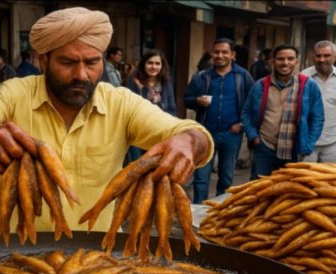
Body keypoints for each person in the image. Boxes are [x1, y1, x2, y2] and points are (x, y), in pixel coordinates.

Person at [0, 7, 213, 234]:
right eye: (67, 62)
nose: (81, 75)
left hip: (92, 255)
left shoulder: (121, 103)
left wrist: (187, 141)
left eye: (91, 63)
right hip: (10, 251)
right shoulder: (13, 94)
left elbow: (190, 132)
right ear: (44, 60)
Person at [184, 38, 254, 202]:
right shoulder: (201, 77)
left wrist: (242, 124)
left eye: (224, 52)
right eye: (216, 52)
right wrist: (196, 101)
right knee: (201, 177)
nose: (220, 55)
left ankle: (219, 212)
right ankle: (198, 213)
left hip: (232, 134)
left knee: (226, 177)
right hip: (205, 133)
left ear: (233, 55)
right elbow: (186, 99)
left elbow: (253, 103)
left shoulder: (243, 76)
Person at [241, 44, 324, 179]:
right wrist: (253, 137)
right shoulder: (261, 85)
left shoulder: (309, 85)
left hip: (294, 150)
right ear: (273, 61)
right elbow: (246, 112)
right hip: (264, 148)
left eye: (290, 59)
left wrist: (308, 144)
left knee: (289, 192)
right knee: (259, 191)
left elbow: (317, 118)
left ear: (296, 61)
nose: (285, 63)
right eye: (280, 59)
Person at [301, 41, 336, 165]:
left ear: (335, 57)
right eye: (318, 56)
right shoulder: (303, 76)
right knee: (305, 179)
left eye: (327, 56)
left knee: (331, 179)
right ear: (313, 57)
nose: (322, 59)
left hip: (335, 140)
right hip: (308, 140)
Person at [124, 49, 176, 162]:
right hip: (137, 132)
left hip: (159, 131)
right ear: (143, 64)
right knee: (137, 165)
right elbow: (127, 107)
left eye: (157, 63)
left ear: (162, 66)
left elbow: (171, 108)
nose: (154, 67)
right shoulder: (133, 82)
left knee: (155, 166)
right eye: (150, 63)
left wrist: (172, 128)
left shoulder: (165, 82)